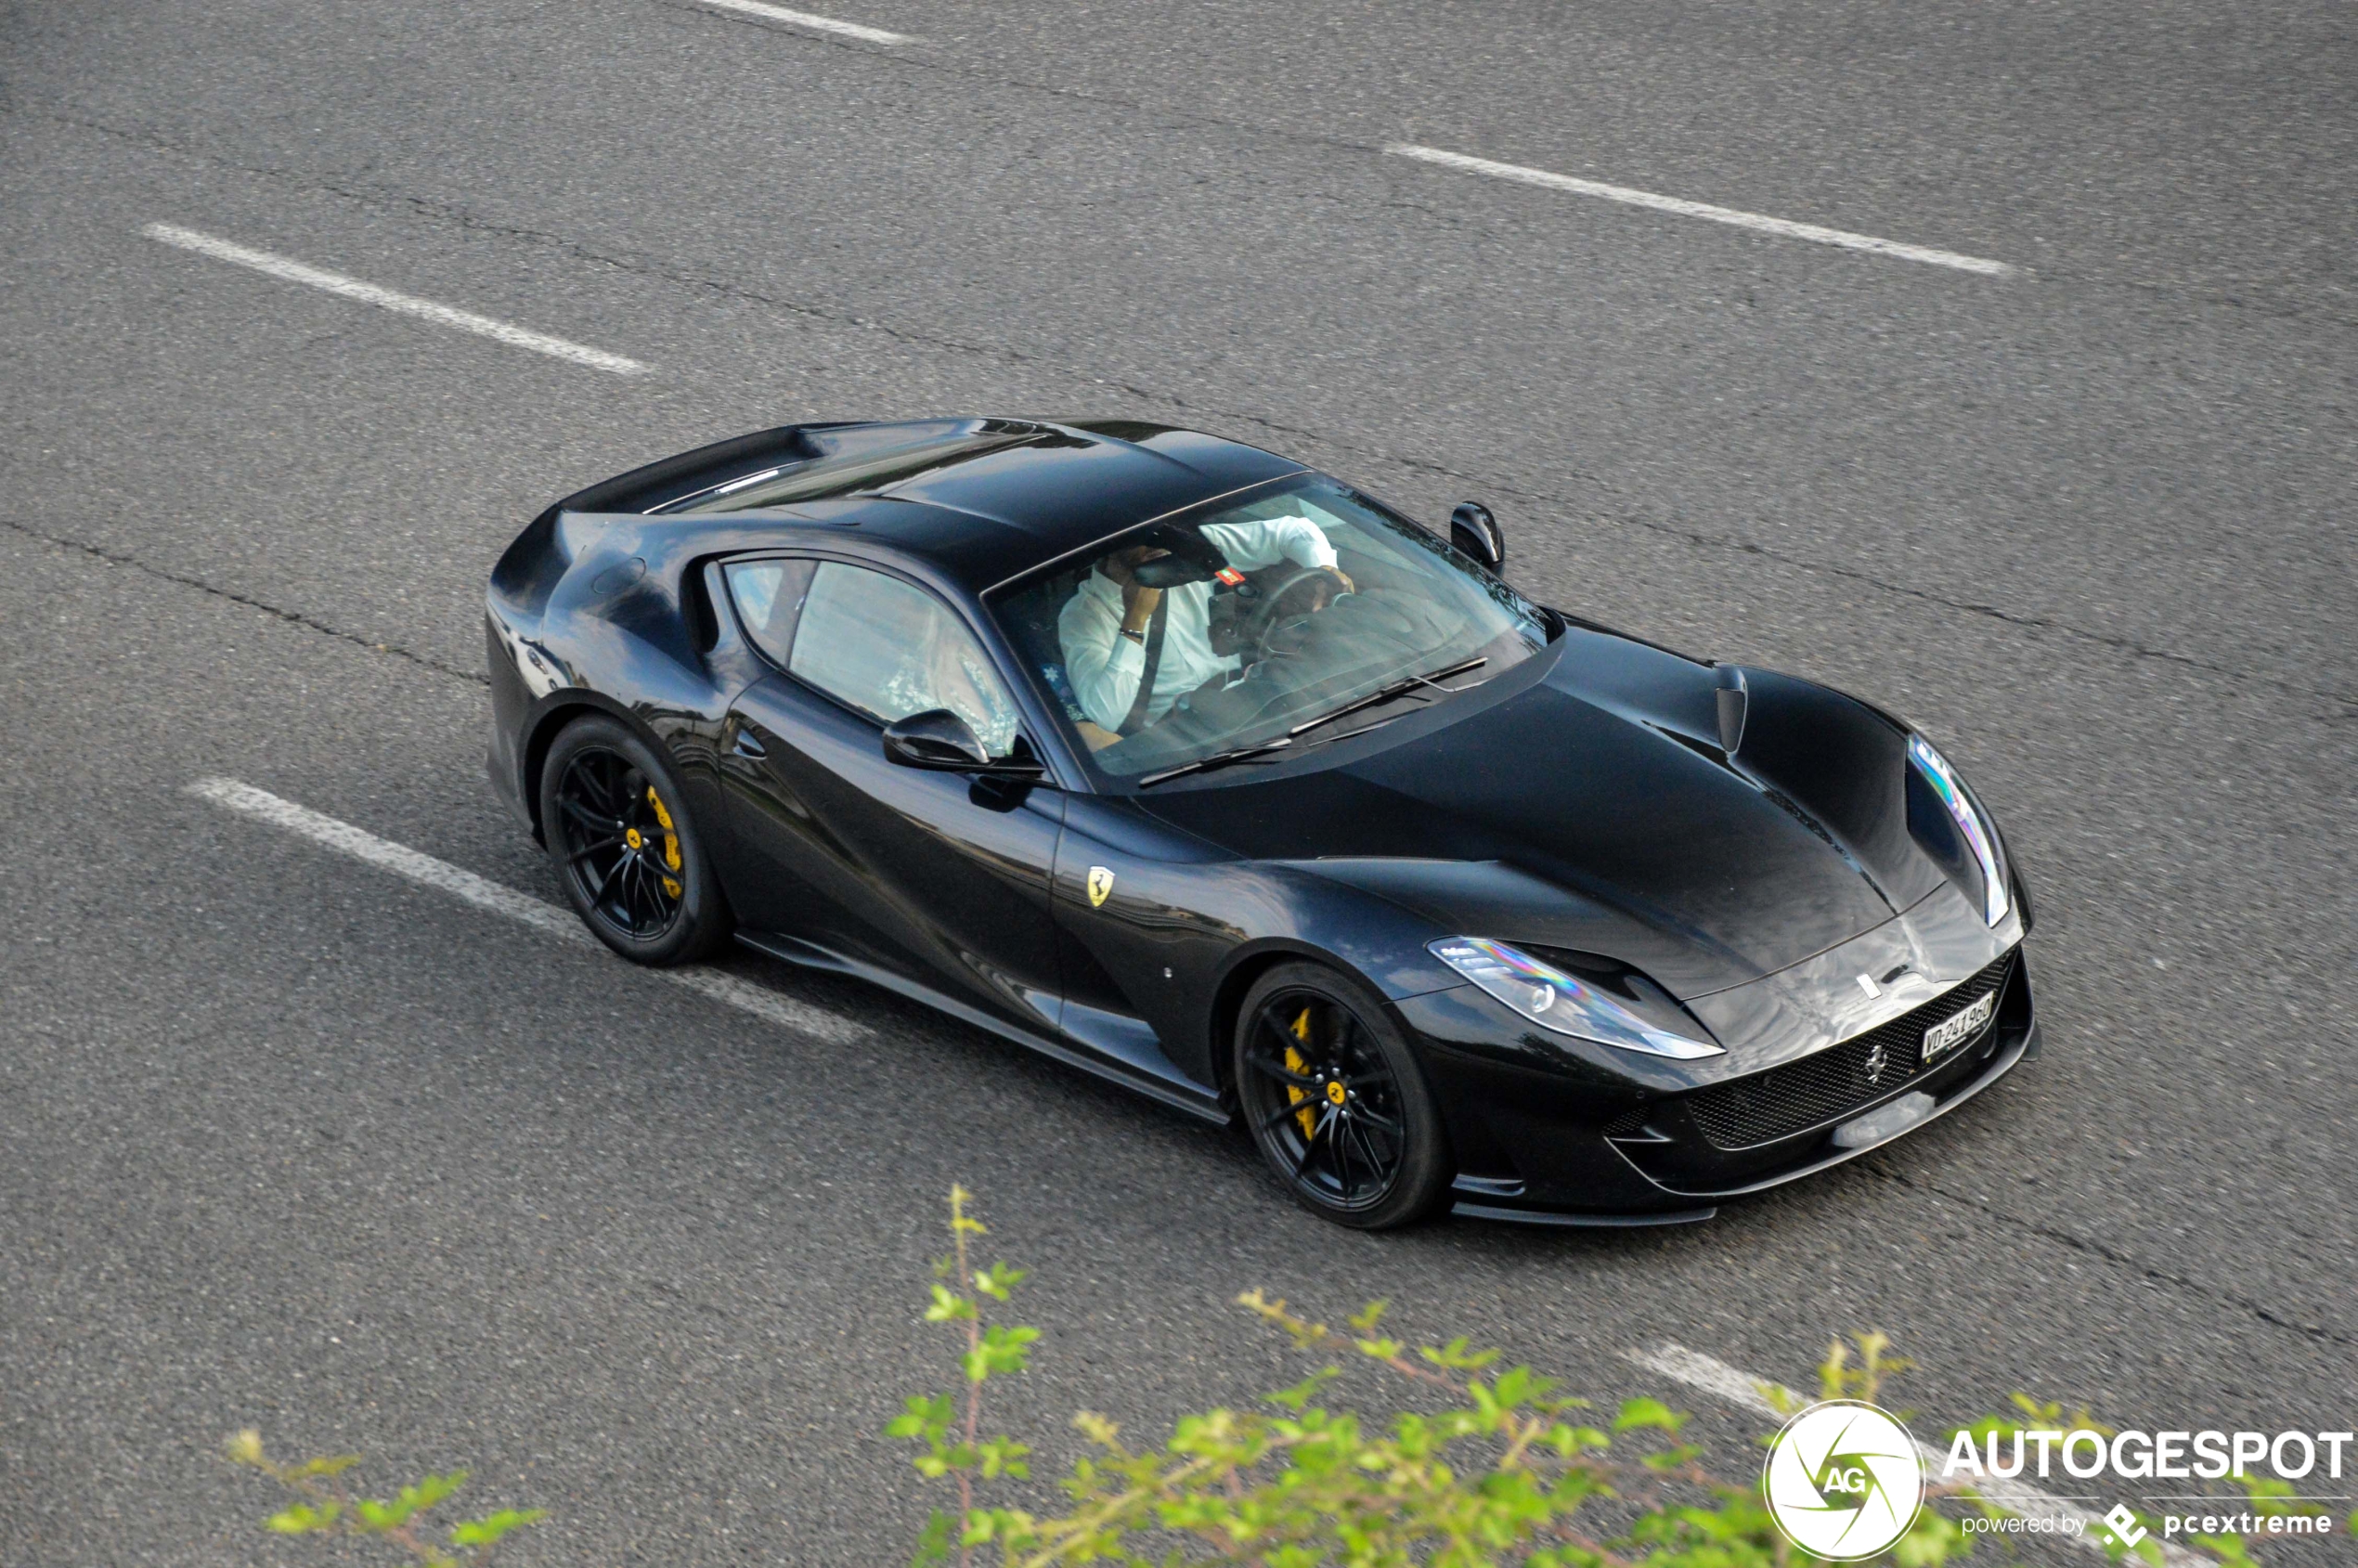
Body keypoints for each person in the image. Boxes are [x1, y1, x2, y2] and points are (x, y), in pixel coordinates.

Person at [1056, 514, 1347, 740]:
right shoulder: (1083, 616)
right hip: (1192, 735)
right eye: (1143, 536)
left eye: (1162, 529)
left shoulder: (1189, 551)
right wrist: (1134, 620)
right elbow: (1107, 715)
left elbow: (1292, 530)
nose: (1160, 542)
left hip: (1257, 695)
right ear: (1110, 543)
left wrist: (1324, 571)